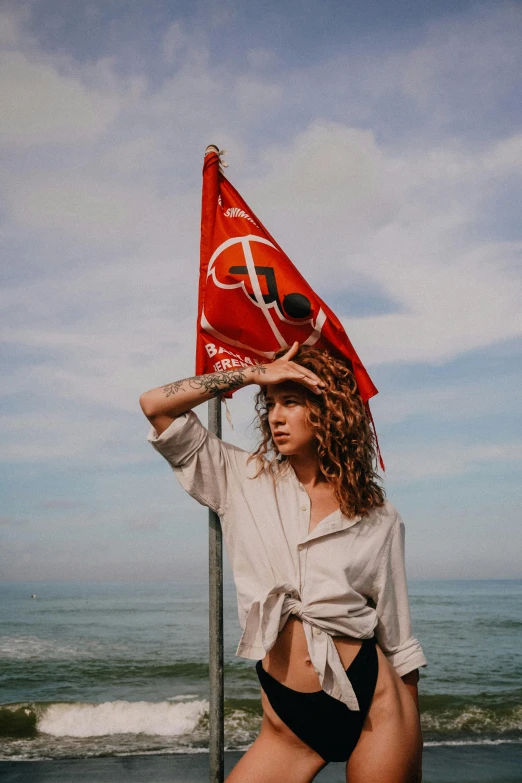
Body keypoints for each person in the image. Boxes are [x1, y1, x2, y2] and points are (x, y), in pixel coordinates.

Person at [140, 342, 427, 783]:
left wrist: (412, 738)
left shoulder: (378, 515)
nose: (275, 415)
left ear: (328, 410)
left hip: (377, 703)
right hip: (288, 720)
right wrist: (254, 373)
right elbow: (155, 405)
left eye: (290, 402)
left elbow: (397, 636)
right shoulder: (241, 479)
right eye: (271, 403)